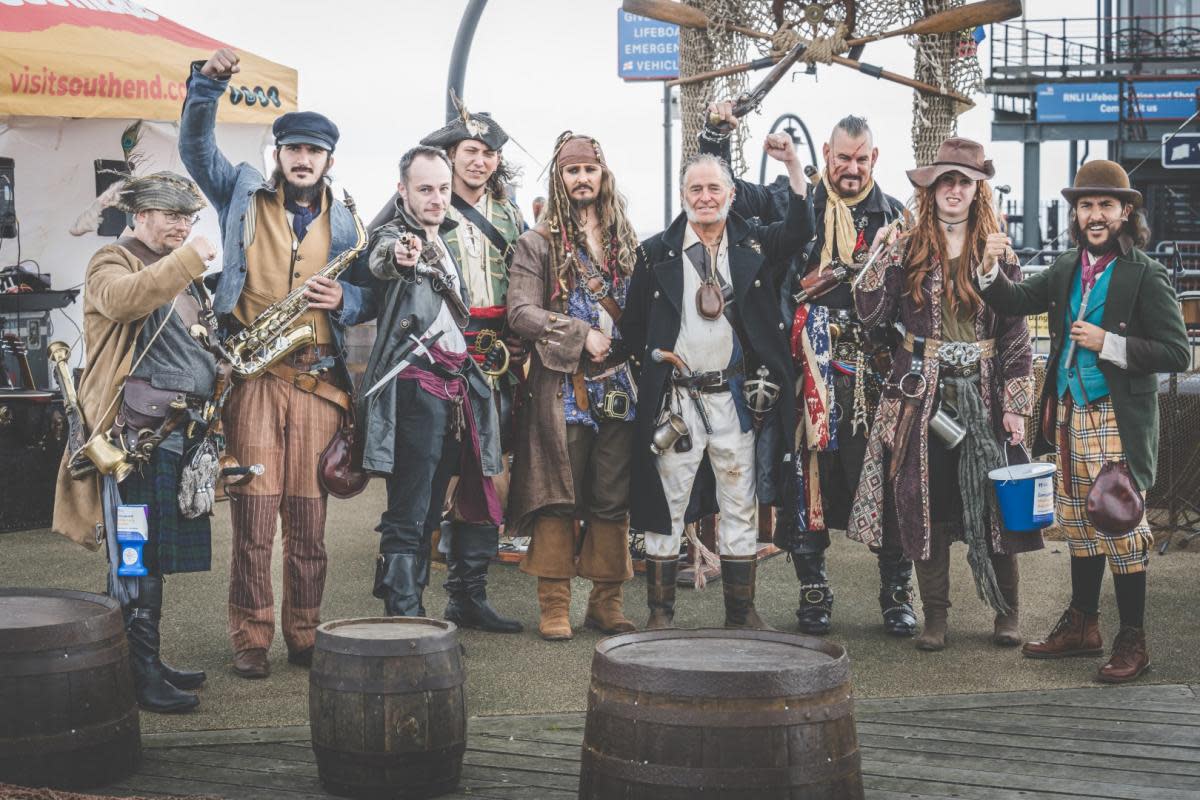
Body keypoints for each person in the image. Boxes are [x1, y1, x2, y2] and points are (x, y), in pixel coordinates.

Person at [179, 48, 372, 679]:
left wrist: (347, 297)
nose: (303, 158)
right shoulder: (239, 189)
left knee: (310, 525)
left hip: (317, 381)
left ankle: (305, 632)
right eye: (293, 148)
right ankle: (251, 636)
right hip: (252, 378)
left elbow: (369, 291)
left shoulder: (346, 220)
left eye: (314, 151)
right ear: (279, 154)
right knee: (255, 518)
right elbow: (194, 148)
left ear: (328, 160)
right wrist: (205, 87)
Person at [699, 107, 916, 638]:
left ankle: (895, 594)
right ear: (826, 153)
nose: (852, 168)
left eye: (861, 160)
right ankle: (814, 591)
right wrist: (717, 134)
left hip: (874, 375)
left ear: (875, 159)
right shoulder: (792, 198)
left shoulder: (896, 220)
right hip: (803, 374)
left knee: (887, 480)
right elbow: (730, 192)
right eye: (843, 158)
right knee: (804, 482)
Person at [975, 160, 1190, 682]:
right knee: (1078, 523)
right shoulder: (1068, 266)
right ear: (1077, 214)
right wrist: (989, 265)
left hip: (1117, 416)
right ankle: (1082, 626)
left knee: (1120, 523)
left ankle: (1133, 640)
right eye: (1087, 206)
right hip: (1069, 413)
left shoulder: (1147, 272)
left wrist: (1109, 344)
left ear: (1125, 212)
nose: (1095, 215)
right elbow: (1015, 300)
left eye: (1106, 206)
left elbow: (1178, 352)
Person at [849, 137, 1039, 651]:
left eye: (964, 181)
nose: (954, 190)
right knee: (922, 500)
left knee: (997, 503)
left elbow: (1017, 335)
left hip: (986, 390)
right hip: (920, 394)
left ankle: (1007, 613)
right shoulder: (907, 245)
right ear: (930, 189)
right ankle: (935, 617)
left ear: (978, 190)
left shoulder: (998, 249)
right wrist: (880, 256)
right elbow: (869, 315)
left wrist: (1018, 408)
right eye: (945, 181)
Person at [620, 141, 813, 630]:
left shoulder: (754, 245)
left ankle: (741, 612)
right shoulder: (654, 254)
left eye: (714, 188)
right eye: (695, 188)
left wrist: (792, 165)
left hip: (734, 399)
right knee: (667, 505)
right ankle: (660, 616)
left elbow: (799, 229)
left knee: (739, 504)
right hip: (676, 401)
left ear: (731, 193)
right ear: (683, 195)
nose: (705, 197)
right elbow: (637, 327)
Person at [52, 171, 219, 712]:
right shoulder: (111, 261)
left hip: (175, 432)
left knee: (153, 557)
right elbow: (124, 302)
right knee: (134, 557)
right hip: (133, 440)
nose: (182, 225)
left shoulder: (182, 273)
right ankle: (134, 670)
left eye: (188, 217)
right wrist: (190, 257)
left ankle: (144, 658)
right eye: (171, 215)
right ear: (139, 215)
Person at [355, 146, 503, 619]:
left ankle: (414, 613)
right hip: (413, 391)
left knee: (430, 512)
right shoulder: (397, 237)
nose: (437, 199)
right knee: (408, 512)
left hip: (451, 393)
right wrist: (401, 255)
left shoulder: (445, 239)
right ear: (403, 190)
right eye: (425, 189)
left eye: (442, 188)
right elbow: (384, 259)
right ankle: (402, 617)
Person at [506, 132, 640, 641]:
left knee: (612, 498)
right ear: (558, 179)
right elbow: (520, 313)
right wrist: (581, 335)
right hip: (563, 391)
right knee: (558, 498)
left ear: (603, 176)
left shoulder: (625, 239)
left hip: (620, 390)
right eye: (572, 171)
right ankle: (555, 604)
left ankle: (606, 604)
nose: (582, 178)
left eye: (590, 170)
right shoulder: (535, 243)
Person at [419, 106, 525, 633]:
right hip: (438, 354)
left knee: (487, 469)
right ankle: (407, 602)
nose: (479, 161)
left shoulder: (510, 216)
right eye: (470, 152)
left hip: (496, 357)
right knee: (432, 471)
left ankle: (469, 596)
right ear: (452, 156)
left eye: (487, 153)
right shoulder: (424, 207)